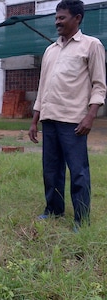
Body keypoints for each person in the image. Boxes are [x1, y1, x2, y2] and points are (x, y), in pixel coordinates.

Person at [28, 0, 106, 230]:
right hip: (49, 119)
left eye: (62, 17)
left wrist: (90, 116)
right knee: (51, 170)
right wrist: (34, 120)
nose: (57, 21)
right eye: (56, 17)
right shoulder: (50, 50)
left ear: (78, 18)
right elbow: (43, 88)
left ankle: (82, 220)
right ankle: (53, 209)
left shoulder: (91, 45)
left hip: (74, 121)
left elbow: (99, 85)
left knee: (78, 171)